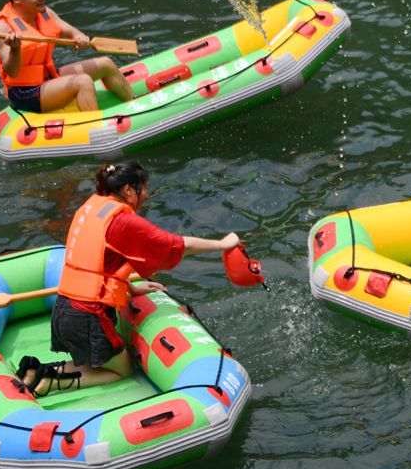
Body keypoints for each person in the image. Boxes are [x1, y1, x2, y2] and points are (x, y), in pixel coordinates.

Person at [18, 162, 243, 395]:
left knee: (100, 362)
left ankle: (37, 371)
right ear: (128, 190)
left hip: (65, 309)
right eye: (143, 188)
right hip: (87, 316)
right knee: (123, 370)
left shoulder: (92, 208)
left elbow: (97, 264)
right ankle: (49, 381)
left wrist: (130, 288)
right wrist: (222, 244)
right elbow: (174, 245)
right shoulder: (124, 221)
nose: (146, 194)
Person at [0, 0, 136, 113]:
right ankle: (97, 127)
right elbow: (12, 72)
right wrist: (15, 49)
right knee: (83, 81)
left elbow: (71, 32)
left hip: (48, 77)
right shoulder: (2, 27)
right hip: (24, 93)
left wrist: (79, 36)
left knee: (106, 63)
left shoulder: (45, 13)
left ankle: (136, 104)